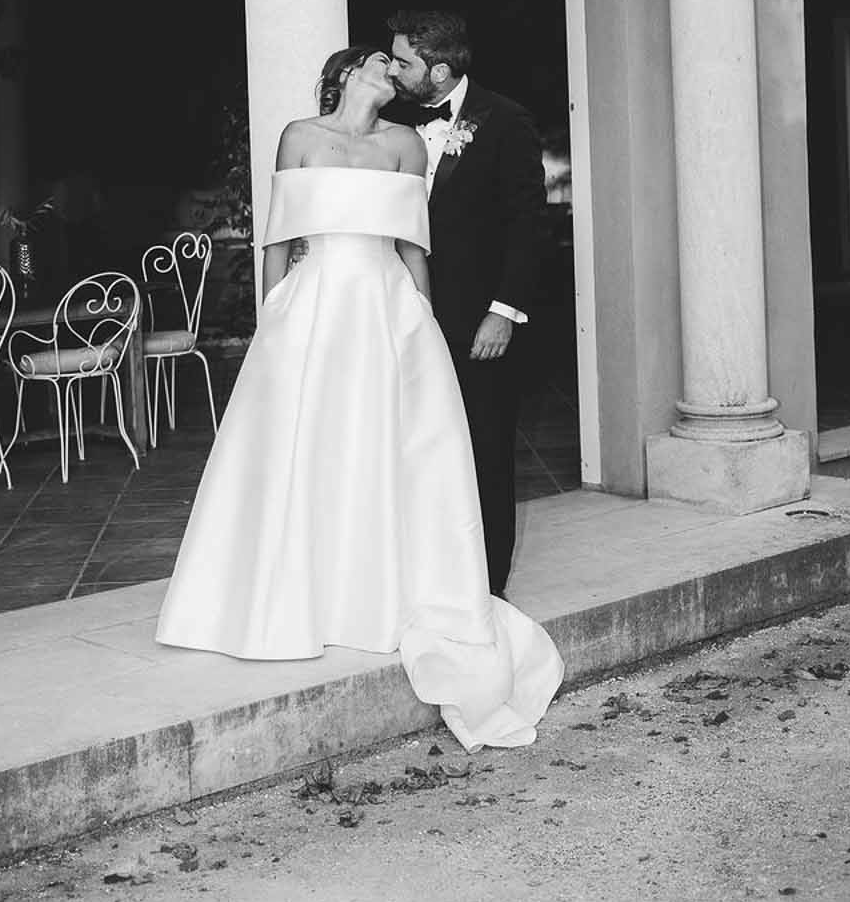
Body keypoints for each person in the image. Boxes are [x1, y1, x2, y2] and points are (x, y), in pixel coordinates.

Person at [155, 42, 562, 751]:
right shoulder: (298, 137)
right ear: (345, 76)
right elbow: (278, 235)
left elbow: (413, 244)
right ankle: (291, 589)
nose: (390, 71)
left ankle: (376, 590)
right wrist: (271, 311)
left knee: (382, 446)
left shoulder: (405, 144)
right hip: (312, 306)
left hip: (384, 303)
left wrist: (423, 321)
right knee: (302, 446)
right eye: (379, 61)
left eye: (394, 62)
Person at [385, 8, 547, 598]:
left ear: (441, 69)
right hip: (403, 310)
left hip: (478, 317)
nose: (394, 70)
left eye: (405, 61)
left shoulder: (506, 121)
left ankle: (487, 585)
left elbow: (528, 224)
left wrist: (503, 310)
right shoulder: (388, 122)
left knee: (485, 444)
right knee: (415, 442)